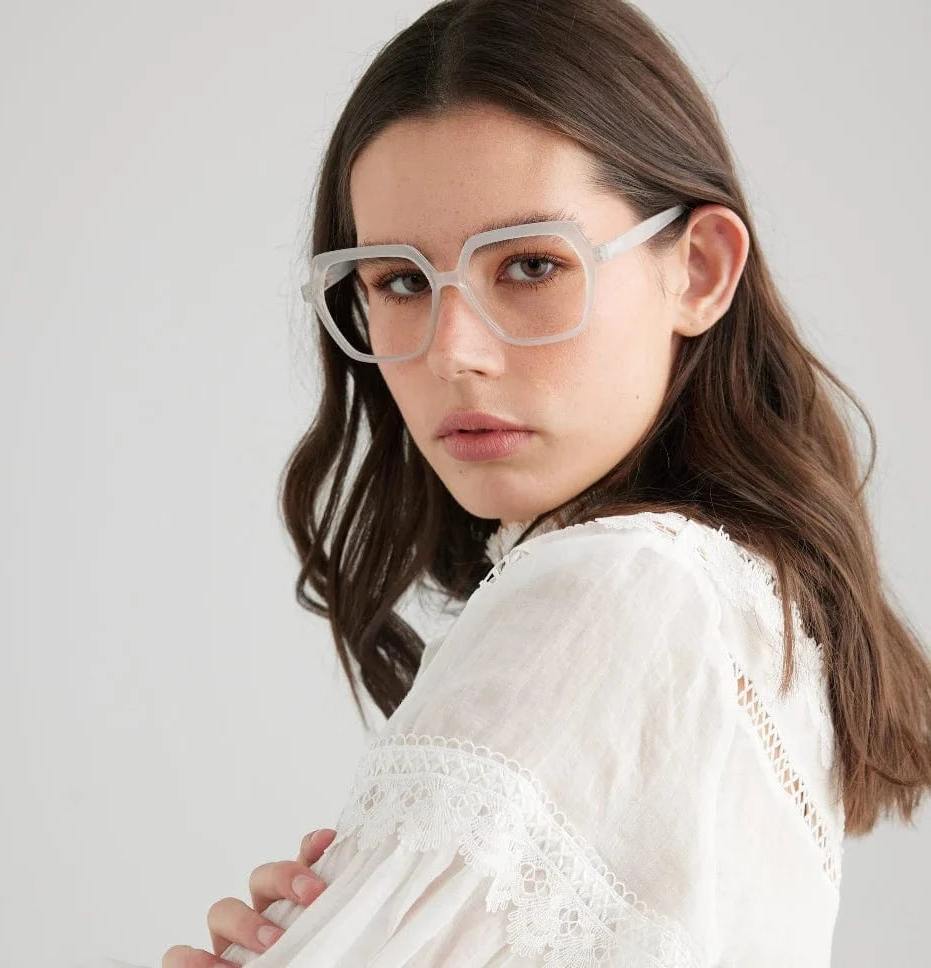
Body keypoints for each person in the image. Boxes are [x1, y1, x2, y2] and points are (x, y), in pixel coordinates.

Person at [97, 0, 931, 965]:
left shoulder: (625, 587)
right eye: (401, 281)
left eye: (531, 265)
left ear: (699, 270)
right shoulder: (736, 604)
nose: (454, 352)